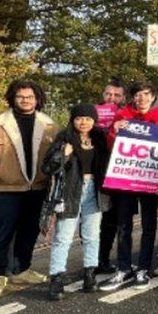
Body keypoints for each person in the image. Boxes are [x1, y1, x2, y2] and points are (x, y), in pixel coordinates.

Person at [0, 79, 59, 296]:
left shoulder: (50, 126)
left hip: (38, 189)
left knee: (29, 232)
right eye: (20, 97)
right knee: (4, 234)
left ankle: (22, 270)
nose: (25, 100)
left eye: (30, 97)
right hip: (7, 190)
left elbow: (59, 155)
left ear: (37, 98)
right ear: (13, 98)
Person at [98, 81, 158, 291]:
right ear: (133, 98)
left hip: (150, 182)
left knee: (149, 227)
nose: (142, 98)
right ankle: (124, 268)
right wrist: (114, 130)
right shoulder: (123, 117)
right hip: (125, 181)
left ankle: (143, 268)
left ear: (153, 96)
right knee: (124, 226)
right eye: (138, 95)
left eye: (146, 94)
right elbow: (112, 147)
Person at [43, 104, 110, 300]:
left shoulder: (99, 138)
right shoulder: (64, 138)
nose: (84, 122)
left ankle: (90, 274)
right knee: (63, 236)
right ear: (73, 120)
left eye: (88, 119)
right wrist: (62, 155)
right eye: (80, 118)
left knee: (92, 235)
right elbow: (47, 167)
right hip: (70, 192)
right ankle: (56, 278)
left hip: (94, 191)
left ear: (94, 120)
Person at [96, 79, 125, 276]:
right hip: (97, 177)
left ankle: (104, 259)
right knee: (93, 221)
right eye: (109, 94)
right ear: (103, 94)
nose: (111, 98)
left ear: (123, 98)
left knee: (112, 222)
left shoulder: (128, 119)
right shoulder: (91, 116)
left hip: (120, 179)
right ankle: (94, 259)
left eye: (116, 95)